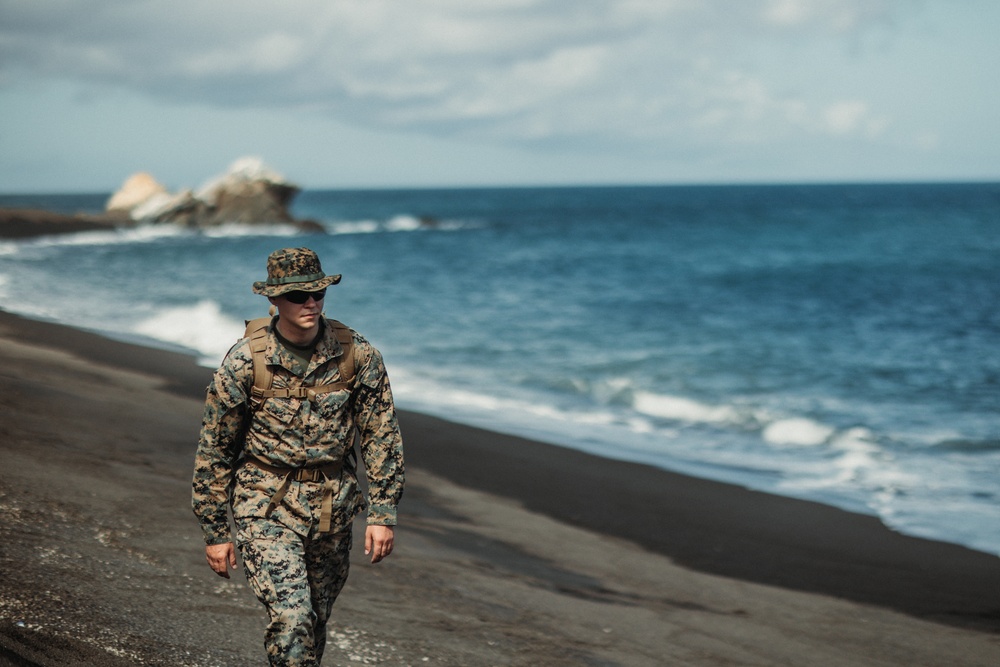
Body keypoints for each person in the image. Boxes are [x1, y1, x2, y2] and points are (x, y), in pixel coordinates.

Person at [192, 247, 404, 667]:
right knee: (292, 618)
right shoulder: (244, 362)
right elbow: (215, 452)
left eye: (318, 293)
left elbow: (381, 435)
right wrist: (215, 530)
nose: (310, 303)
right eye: (297, 296)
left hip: (333, 508)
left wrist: (382, 513)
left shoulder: (356, 355)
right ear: (273, 300)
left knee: (315, 622)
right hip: (264, 505)